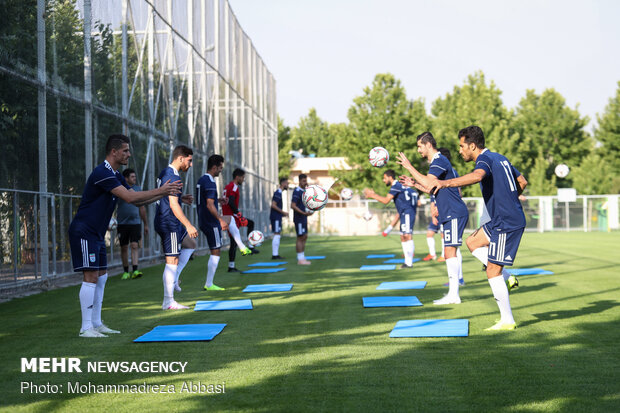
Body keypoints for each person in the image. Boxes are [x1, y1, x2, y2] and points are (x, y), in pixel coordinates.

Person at [69, 134, 182, 337]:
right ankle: (85, 328)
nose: (129, 154)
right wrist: (161, 189)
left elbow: (137, 202)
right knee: (91, 276)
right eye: (125, 151)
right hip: (84, 231)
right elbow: (130, 197)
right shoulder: (103, 173)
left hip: (96, 233)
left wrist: (164, 193)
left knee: (101, 277)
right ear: (114, 152)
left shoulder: (116, 174)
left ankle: (96, 323)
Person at [429, 125, 527, 330]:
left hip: (506, 222)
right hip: (503, 218)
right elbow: (522, 181)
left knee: (492, 270)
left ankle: (507, 320)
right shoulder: (500, 157)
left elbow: (477, 176)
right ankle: (508, 278)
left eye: (462, 146)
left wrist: (446, 183)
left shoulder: (483, 160)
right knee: (472, 242)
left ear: (472, 146)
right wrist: (512, 196)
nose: (460, 150)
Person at [396, 132, 468, 304]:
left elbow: (429, 183)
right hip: (449, 212)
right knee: (450, 251)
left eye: (420, 146)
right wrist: (414, 184)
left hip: (454, 212)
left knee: (451, 251)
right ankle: (453, 294)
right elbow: (432, 188)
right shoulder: (437, 162)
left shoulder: (439, 160)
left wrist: (409, 167)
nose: (418, 149)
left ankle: (454, 294)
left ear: (428, 145)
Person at [154, 145, 197, 310]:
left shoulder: (167, 172)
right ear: (181, 158)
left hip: (169, 221)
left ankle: (175, 280)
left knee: (190, 245)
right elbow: (172, 204)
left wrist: (181, 198)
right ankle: (168, 301)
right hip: (169, 222)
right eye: (189, 160)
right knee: (172, 260)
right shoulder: (171, 174)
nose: (190, 164)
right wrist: (188, 224)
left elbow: (168, 197)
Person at [364, 169, 417, 268]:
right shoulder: (401, 186)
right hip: (404, 213)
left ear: (390, 177)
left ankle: (409, 263)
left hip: (407, 213)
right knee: (403, 236)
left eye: (384, 178)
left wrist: (372, 195)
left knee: (407, 235)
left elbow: (385, 200)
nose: (383, 180)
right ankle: (407, 261)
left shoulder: (396, 186)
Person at [196, 154, 229, 291]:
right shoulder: (210, 182)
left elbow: (207, 201)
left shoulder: (202, 179)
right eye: (220, 167)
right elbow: (209, 205)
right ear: (214, 167)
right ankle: (209, 284)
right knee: (215, 250)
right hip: (210, 222)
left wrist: (218, 200)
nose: (221, 170)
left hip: (203, 220)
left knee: (215, 249)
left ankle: (209, 283)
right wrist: (220, 220)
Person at [116, 168, 149, 280]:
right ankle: (126, 271)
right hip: (122, 223)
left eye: (135, 176)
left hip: (135, 223)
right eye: (132, 177)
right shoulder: (119, 190)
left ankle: (135, 269)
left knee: (134, 245)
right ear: (126, 178)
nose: (135, 178)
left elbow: (142, 208)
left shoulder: (137, 189)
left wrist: (145, 224)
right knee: (124, 247)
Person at [221, 168, 255, 273]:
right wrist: (238, 214)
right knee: (233, 242)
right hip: (231, 218)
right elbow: (231, 201)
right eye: (243, 177)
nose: (243, 180)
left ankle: (249, 247)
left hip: (228, 216)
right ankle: (231, 266)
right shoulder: (234, 187)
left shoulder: (227, 186)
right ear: (237, 177)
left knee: (250, 224)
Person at [290, 174, 313, 265]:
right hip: (299, 218)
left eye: (306, 181)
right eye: (303, 181)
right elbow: (293, 206)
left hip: (303, 218)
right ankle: (300, 259)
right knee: (300, 237)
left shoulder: (304, 191)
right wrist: (303, 213)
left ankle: (302, 257)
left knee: (305, 236)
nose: (305, 182)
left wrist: (310, 212)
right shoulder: (297, 191)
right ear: (299, 181)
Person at [270, 177, 289, 259]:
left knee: (277, 234)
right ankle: (275, 255)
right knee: (277, 234)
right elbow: (273, 205)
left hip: (277, 216)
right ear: (283, 184)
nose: (287, 185)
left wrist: (282, 213)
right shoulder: (278, 192)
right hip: (276, 217)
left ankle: (275, 254)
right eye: (287, 184)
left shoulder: (279, 192)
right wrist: (283, 212)